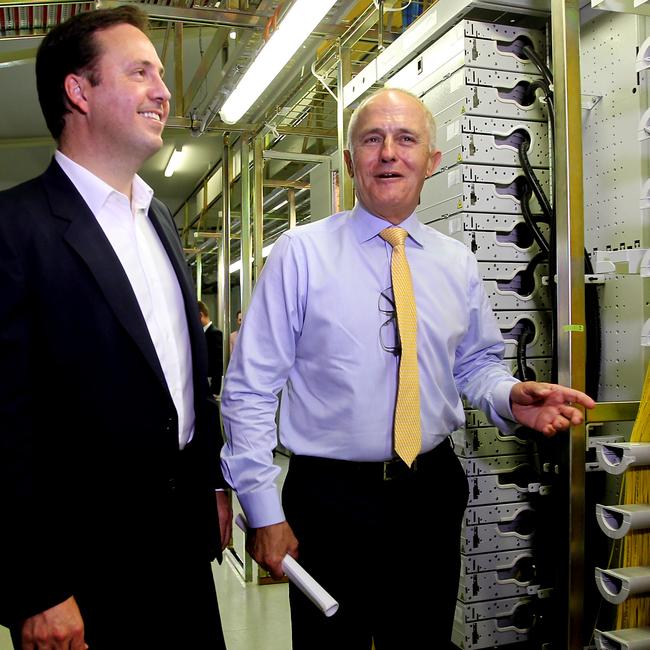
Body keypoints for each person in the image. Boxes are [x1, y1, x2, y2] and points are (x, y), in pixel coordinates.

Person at [220, 87, 595, 650]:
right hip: (328, 502)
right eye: (372, 140)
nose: (388, 153)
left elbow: (474, 364)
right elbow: (248, 391)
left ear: (432, 161)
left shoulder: (455, 262)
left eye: (405, 139)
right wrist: (263, 509)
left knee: (421, 641)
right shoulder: (300, 255)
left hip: (429, 492)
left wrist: (509, 395)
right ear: (350, 164)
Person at [0, 7, 231, 649]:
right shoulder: (15, 229)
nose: (163, 90)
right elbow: (5, 425)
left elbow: (184, 376)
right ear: (79, 91)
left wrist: (211, 480)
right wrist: (37, 586)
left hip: (182, 544)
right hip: (82, 569)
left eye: (160, 72)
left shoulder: (158, 220)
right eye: (139, 72)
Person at [199, 300, 225, 396]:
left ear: (200, 315)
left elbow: (218, 363)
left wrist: (214, 390)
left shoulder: (214, 333)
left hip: (210, 384)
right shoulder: (203, 333)